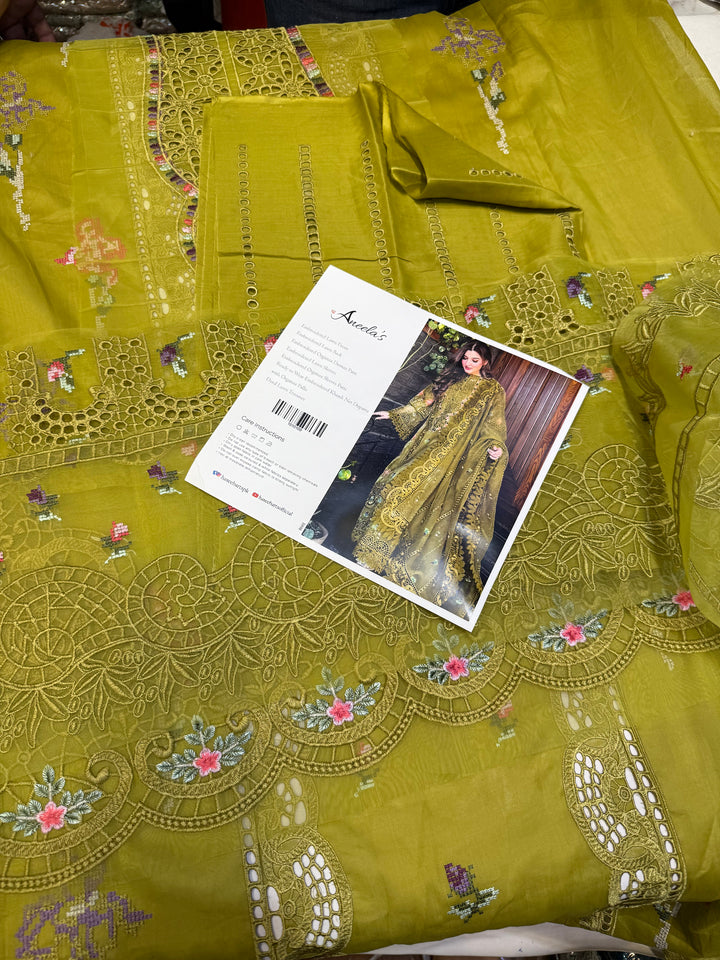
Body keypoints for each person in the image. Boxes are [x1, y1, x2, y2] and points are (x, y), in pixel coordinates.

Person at [352, 339, 507, 618]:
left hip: (451, 457)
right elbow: (423, 403)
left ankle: (381, 558)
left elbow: (493, 426)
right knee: (392, 488)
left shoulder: (492, 390)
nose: (468, 363)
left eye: (474, 360)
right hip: (422, 446)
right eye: (465, 358)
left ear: (485, 362)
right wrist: (393, 414)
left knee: (411, 500)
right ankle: (373, 552)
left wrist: (495, 448)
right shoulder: (452, 379)